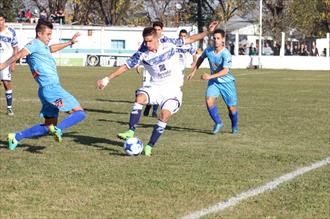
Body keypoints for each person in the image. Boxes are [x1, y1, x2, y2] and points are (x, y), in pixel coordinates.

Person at [96, 21, 219, 156]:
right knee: (140, 98)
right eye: (145, 42)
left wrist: (208, 31)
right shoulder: (142, 53)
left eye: (149, 41)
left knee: (164, 115)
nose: (147, 45)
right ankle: (131, 130)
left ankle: (149, 145)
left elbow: (190, 39)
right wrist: (106, 79)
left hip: (173, 89)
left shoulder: (169, 43)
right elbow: (125, 67)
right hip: (155, 86)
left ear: (156, 38)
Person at [0, 19, 86, 150]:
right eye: (48, 34)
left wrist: (69, 43)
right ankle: (59, 129)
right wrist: (4, 65)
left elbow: (51, 48)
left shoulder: (43, 46)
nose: (50, 37)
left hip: (45, 91)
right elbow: (18, 54)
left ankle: (16, 137)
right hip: (52, 89)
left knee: (47, 126)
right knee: (79, 113)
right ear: (39, 34)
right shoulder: (33, 44)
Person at [187, 29, 238, 135]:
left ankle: (234, 126)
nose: (216, 40)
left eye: (218, 38)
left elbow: (225, 70)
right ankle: (218, 123)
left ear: (223, 40)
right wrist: (193, 72)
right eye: (214, 38)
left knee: (231, 108)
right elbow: (201, 59)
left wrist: (210, 76)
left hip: (227, 83)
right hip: (214, 82)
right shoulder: (208, 51)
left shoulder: (226, 53)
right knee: (209, 100)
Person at [141, 21, 165, 118]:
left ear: (162, 30)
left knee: (160, 89)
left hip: (160, 70)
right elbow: (140, 54)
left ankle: (154, 111)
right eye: (155, 30)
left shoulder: (165, 41)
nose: (157, 31)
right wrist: (139, 65)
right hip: (148, 70)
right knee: (147, 88)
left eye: (159, 30)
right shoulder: (147, 42)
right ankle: (148, 105)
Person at [0, 13, 18, 116]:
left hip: (6, 62)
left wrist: (13, 62)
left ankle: (9, 108)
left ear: (4, 20)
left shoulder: (10, 32)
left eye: (1, 20)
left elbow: (15, 47)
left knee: (6, 83)